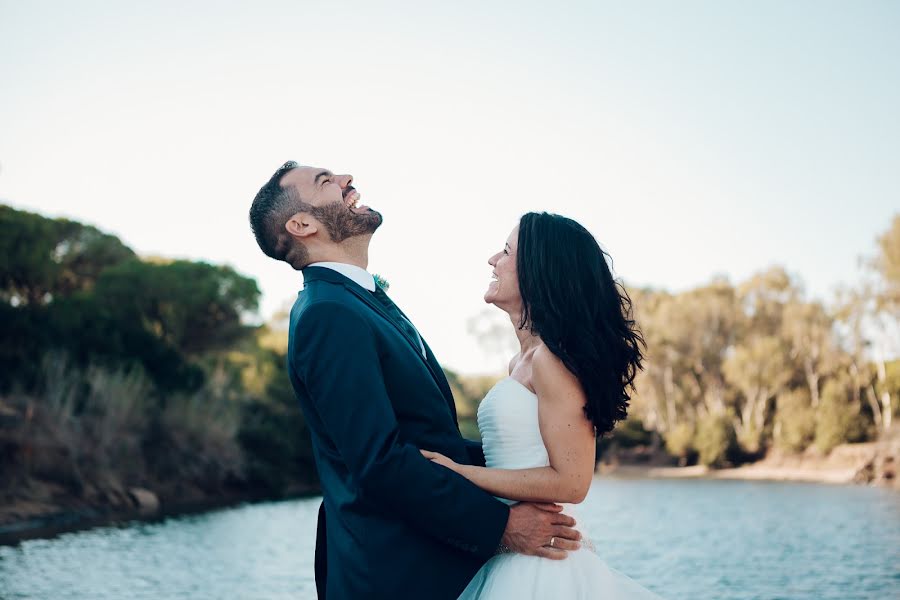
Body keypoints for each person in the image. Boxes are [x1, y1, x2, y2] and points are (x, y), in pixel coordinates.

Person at [248, 162, 582, 600]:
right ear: (302, 224)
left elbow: (429, 442)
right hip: (390, 574)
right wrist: (502, 526)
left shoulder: (359, 302)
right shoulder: (327, 314)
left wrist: (540, 454)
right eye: (326, 181)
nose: (347, 178)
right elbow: (380, 462)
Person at [421, 212, 664, 599]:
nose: (492, 260)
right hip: (515, 549)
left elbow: (572, 481)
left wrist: (462, 473)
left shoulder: (550, 361)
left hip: (542, 567)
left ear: (539, 270)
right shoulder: (521, 362)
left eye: (505, 251)